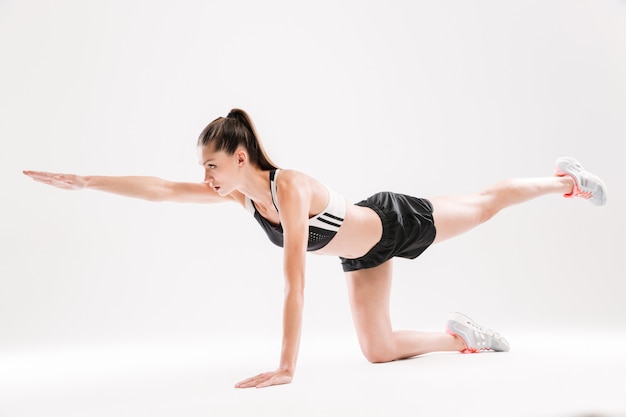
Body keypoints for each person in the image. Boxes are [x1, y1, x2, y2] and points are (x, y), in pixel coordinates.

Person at [23, 108, 607, 389]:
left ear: (240, 158)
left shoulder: (290, 187)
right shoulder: (241, 197)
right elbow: (160, 191)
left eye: (211, 164)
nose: (204, 176)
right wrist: (83, 181)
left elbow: (295, 282)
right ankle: (462, 338)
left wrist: (285, 367)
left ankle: (565, 181)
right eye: (203, 167)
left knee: (483, 205)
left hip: (394, 221)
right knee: (378, 352)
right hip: (362, 254)